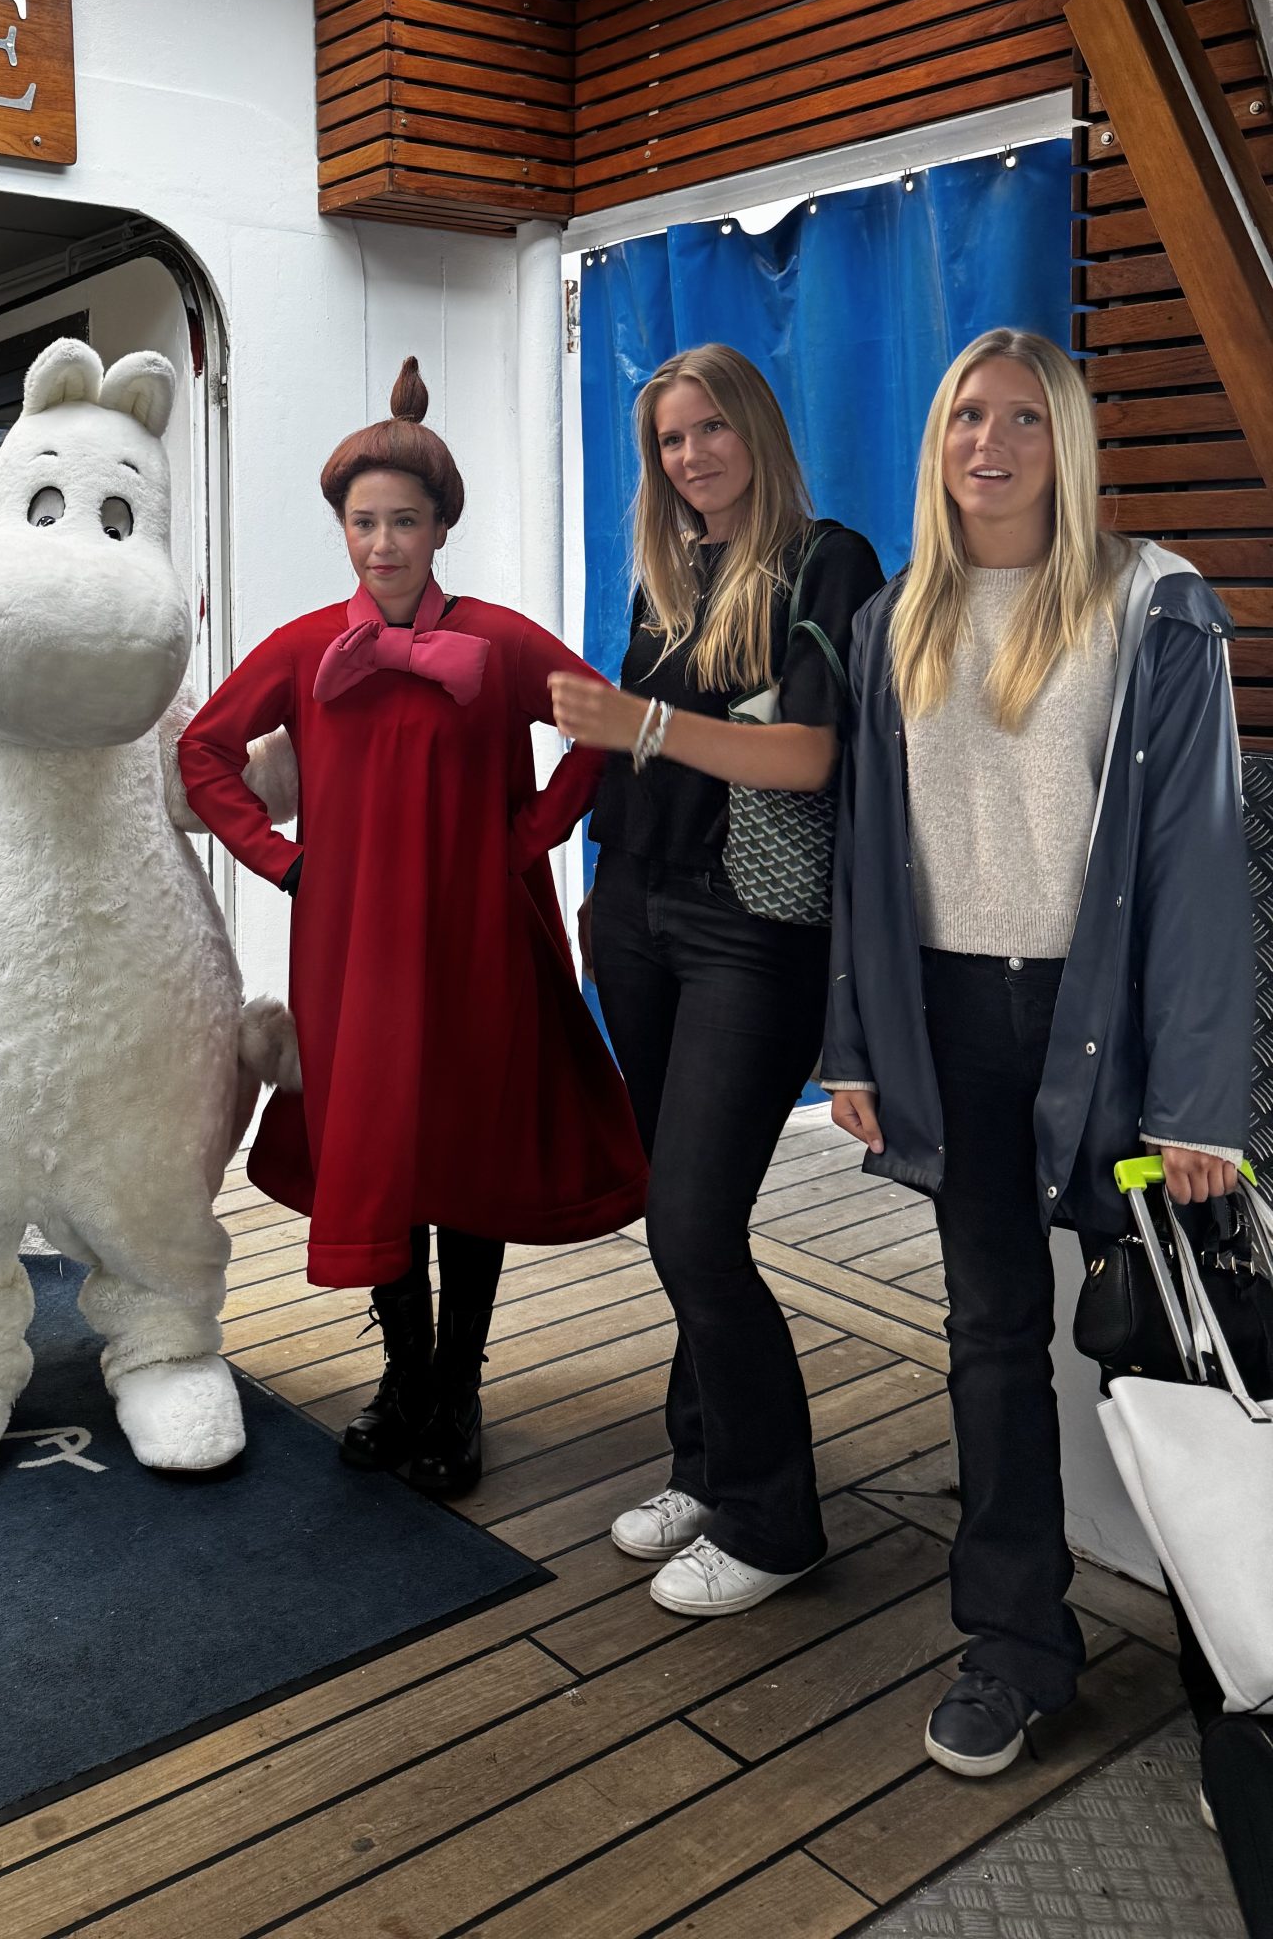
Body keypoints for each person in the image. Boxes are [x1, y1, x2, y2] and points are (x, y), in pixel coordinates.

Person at [824, 326, 1251, 1777]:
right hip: (953, 1027)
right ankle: (1014, 1647)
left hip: (1109, 1031)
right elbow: (865, 858)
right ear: (936, 442)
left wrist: (1199, 1100)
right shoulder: (893, 621)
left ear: (1066, 438)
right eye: (965, 417)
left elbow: (1198, 865)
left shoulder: (1154, 604)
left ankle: (1238, 1678)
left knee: (1177, 1352)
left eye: (1020, 417)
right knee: (992, 1339)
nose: (988, 444)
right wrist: (856, 1045)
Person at [180, 359, 646, 1496]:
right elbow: (203, 753)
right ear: (342, 530)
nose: (382, 543)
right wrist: (284, 862)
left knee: (464, 1144)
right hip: (351, 949)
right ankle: (403, 1377)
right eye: (364, 522)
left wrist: (527, 838)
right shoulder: (303, 648)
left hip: (477, 936)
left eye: (404, 521)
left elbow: (602, 726)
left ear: (442, 528)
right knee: (378, 1140)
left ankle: (456, 1389)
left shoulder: (501, 639)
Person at [548, 344, 882, 1616]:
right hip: (638, 914)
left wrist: (637, 723)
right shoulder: (669, 571)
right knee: (679, 1215)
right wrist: (596, 893)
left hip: (752, 930)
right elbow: (648, 761)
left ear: (756, 429)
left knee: (694, 1223)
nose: (689, 456)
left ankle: (774, 1519)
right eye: (669, 439)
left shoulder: (827, 559)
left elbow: (810, 754)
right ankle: (706, 1465)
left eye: (708, 429)